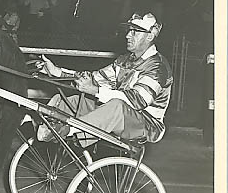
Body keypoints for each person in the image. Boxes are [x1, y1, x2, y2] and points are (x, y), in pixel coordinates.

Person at [34, 12, 173, 147]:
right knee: (76, 100)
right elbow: (94, 79)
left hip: (147, 125)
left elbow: (137, 100)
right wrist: (57, 72)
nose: (127, 35)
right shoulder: (124, 60)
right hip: (123, 114)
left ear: (150, 36)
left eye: (135, 32)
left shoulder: (157, 67)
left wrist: (95, 90)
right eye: (129, 30)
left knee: (115, 106)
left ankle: (68, 130)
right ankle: (45, 123)